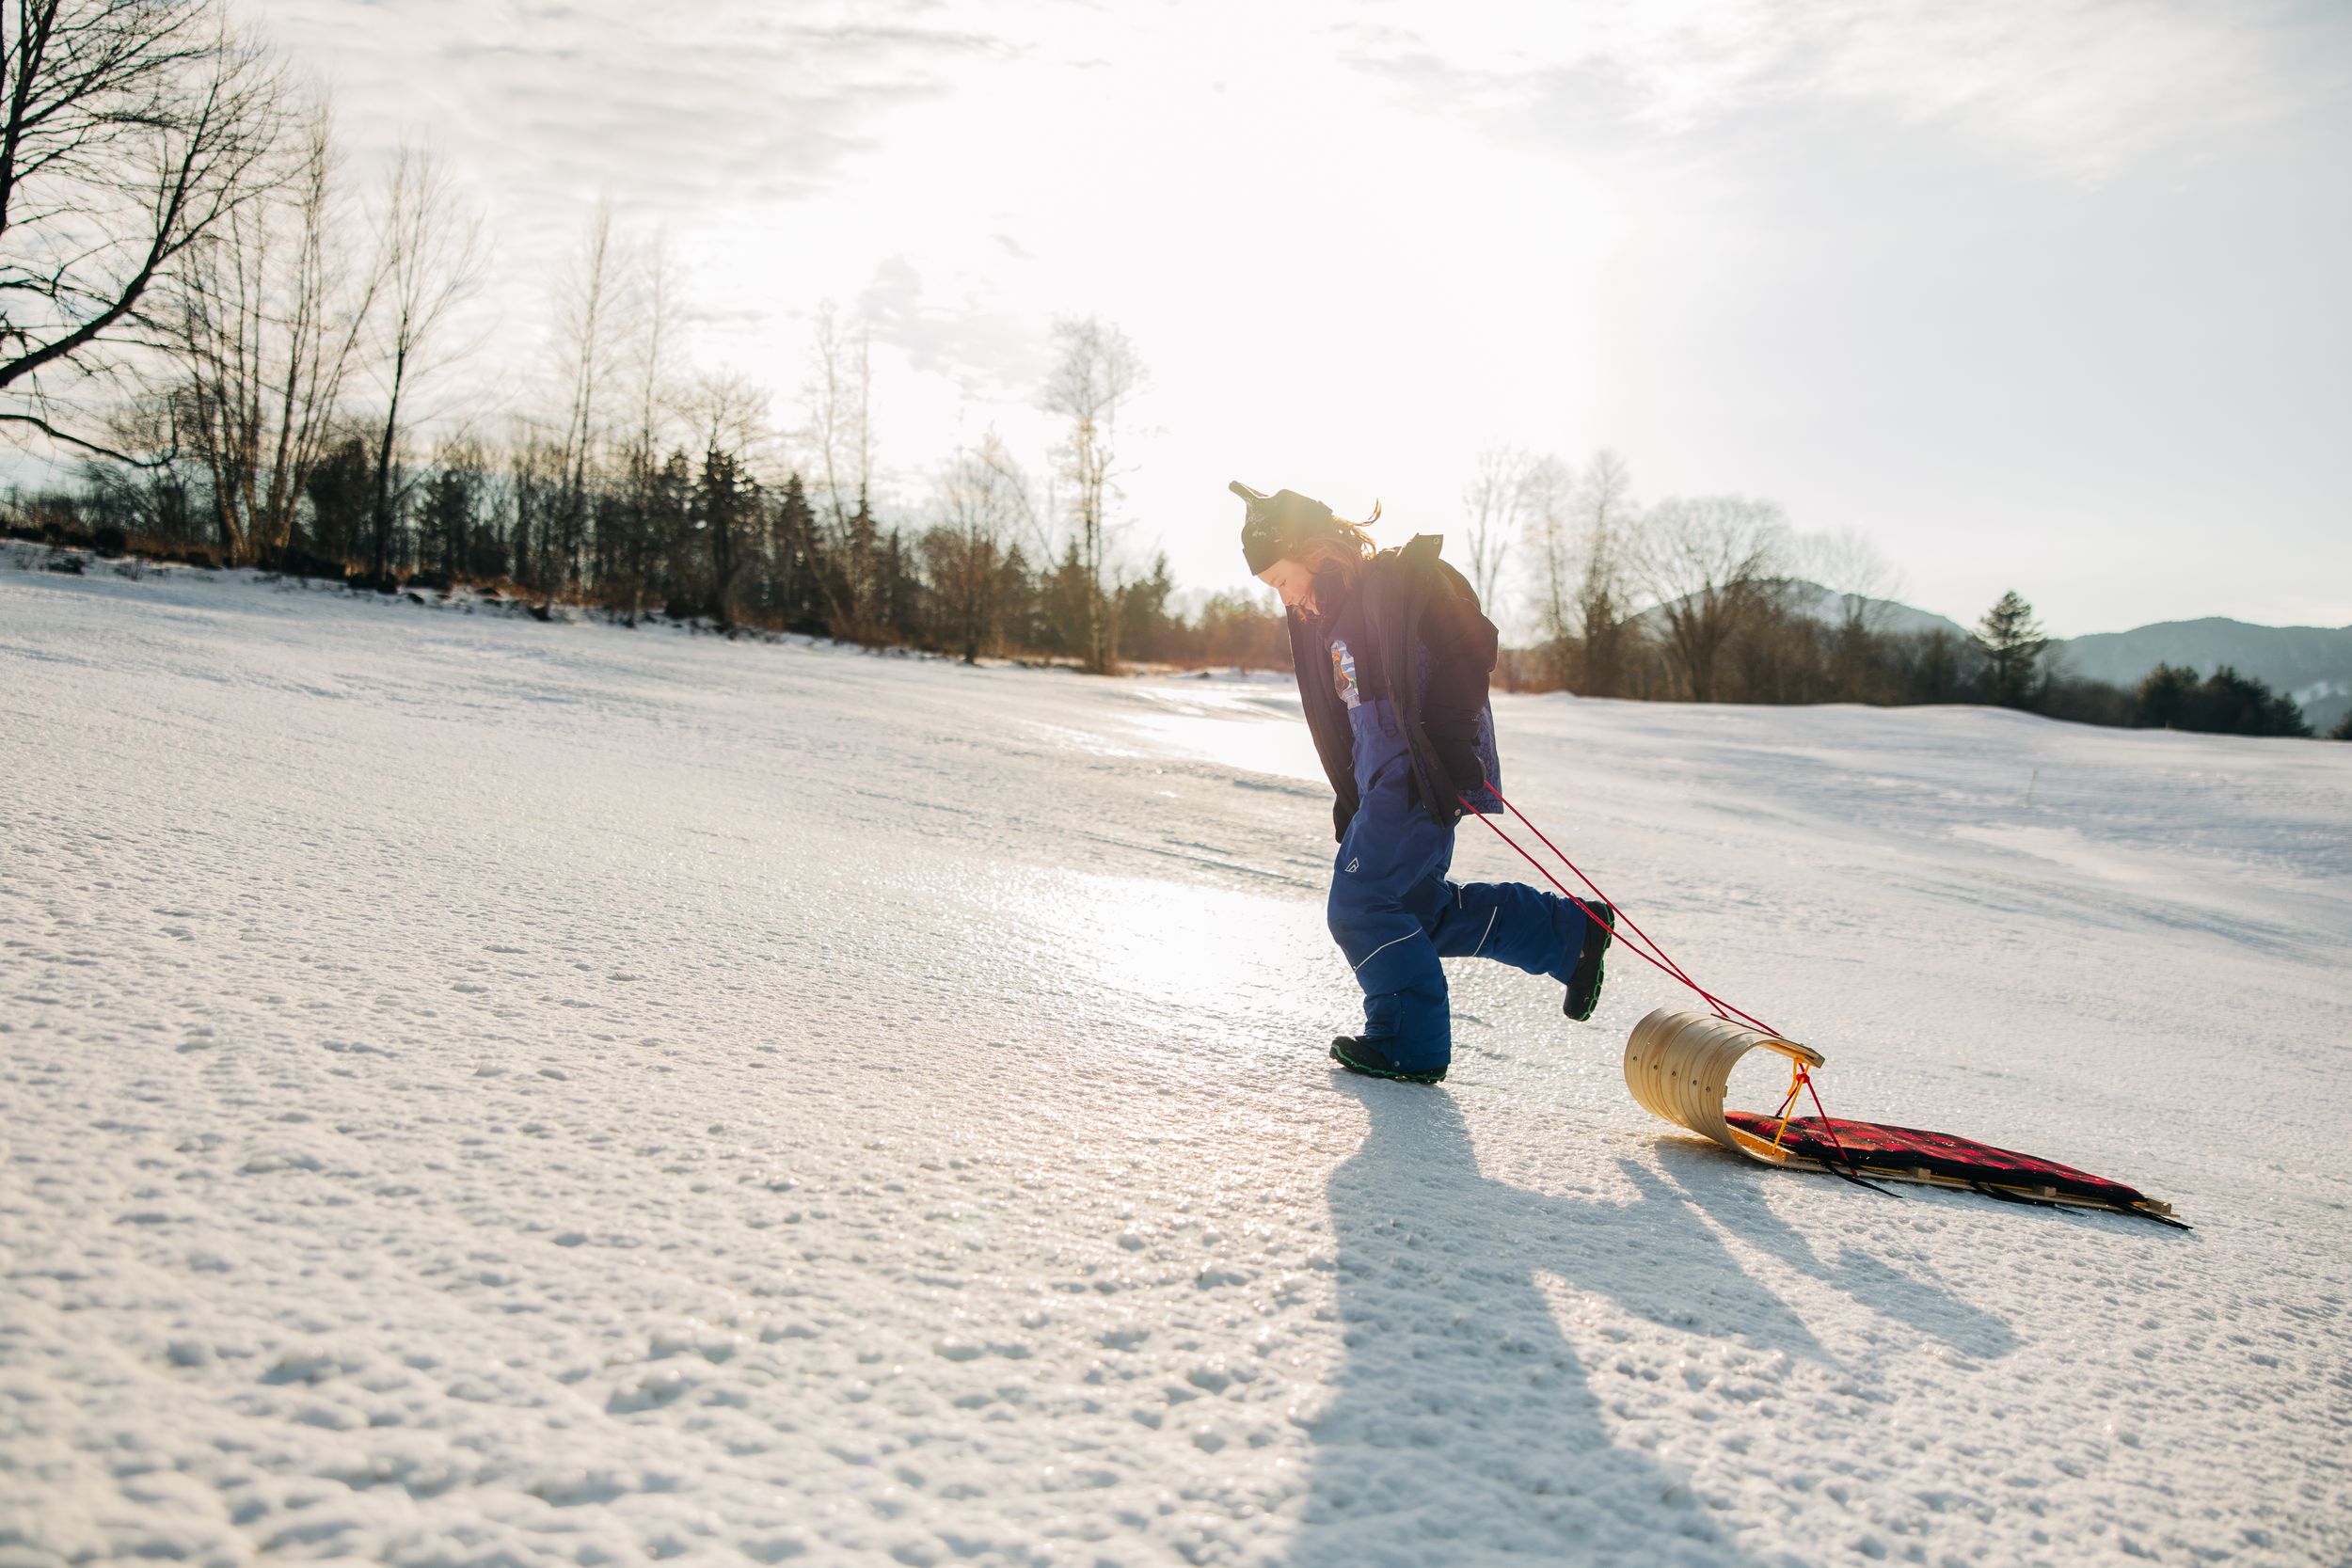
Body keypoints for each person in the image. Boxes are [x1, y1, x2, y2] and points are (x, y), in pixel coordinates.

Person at [1232, 480, 1613, 1085]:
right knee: (1416, 911)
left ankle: (1409, 1041)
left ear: (1312, 551)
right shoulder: (1326, 618)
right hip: (1380, 774)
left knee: (1360, 906)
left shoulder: (1397, 581)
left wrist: (1455, 738)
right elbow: (1353, 716)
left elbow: (1470, 645)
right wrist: (1350, 795)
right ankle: (1566, 935)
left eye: (1282, 578)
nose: (1283, 596)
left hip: (1417, 767)